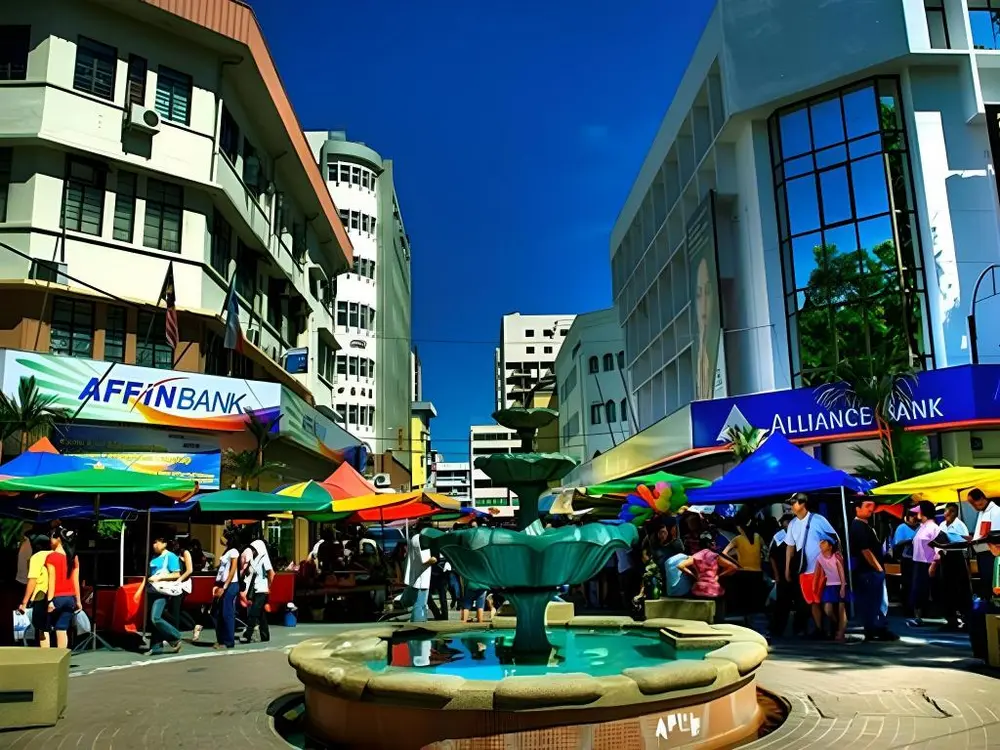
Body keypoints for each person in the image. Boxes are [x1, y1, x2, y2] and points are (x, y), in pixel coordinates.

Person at [784, 493, 838, 638]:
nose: (791, 506)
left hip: (823, 569)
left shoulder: (818, 520)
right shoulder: (792, 524)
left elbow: (834, 539)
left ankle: (834, 627)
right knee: (813, 602)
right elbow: (790, 547)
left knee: (826, 601)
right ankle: (820, 630)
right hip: (804, 570)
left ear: (803, 504)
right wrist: (787, 568)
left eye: (793, 502)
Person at [850, 500, 897, 641]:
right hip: (869, 571)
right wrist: (878, 568)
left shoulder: (866, 525)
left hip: (870, 571)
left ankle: (874, 629)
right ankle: (876, 628)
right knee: (874, 601)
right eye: (867, 506)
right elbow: (865, 550)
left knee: (874, 601)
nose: (871, 509)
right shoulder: (858, 526)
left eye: (872, 506)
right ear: (857, 509)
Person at [678, 532, 738, 623]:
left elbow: (680, 566)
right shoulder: (715, 556)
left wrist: (694, 576)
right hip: (714, 590)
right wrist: (719, 575)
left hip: (699, 589)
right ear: (710, 543)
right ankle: (718, 621)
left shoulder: (695, 556)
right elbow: (733, 567)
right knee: (722, 598)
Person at [139, 536, 183, 655]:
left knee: (155, 618)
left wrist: (159, 577)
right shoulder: (153, 557)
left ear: (164, 544)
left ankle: (175, 636)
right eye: (153, 543)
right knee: (152, 620)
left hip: (162, 592)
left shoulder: (171, 556)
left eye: (157, 542)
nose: (154, 545)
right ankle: (156, 646)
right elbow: (147, 576)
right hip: (151, 590)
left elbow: (176, 574)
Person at [45, 527, 82, 650]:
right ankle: (62, 657)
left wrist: (49, 600)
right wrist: (78, 601)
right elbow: (75, 580)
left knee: (45, 628)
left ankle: (47, 657)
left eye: (52, 537)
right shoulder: (73, 557)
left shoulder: (51, 557)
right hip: (70, 598)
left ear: (58, 539)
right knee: (62, 629)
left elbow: (51, 580)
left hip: (56, 597)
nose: (50, 540)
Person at [937, 502, 972, 631]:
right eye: (947, 511)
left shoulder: (960, 525)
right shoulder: (941, 525)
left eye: (951, 511)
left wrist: (954, 539)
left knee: (961, 588)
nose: (948, 513)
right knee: (946, 588)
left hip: (957, 557)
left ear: (955, 513)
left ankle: (966, 619)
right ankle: (950, 619)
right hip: (945, 557)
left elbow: (966, 543)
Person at [723, 519, 763, 625]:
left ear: (740, 528)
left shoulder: (737, 539)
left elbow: (724, 553)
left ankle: (744, 622)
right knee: (754, 602)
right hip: (757, 573)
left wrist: (735, 561)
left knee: (743, 600)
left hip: (743, 572)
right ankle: (754, 623)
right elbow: (764, 550)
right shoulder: (757, 537)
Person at [907, 500, 940, 628]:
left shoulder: (934, 528)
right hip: (918, 562)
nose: (916, 514)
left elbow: (939, 549)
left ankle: (927, 616)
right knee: (918, 590)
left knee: (926, 590)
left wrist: (934, 564)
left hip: (928, 563)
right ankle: (918, 617)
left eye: (918, 512)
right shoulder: (922, 527)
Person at [965, 488, 1000, 603]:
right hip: (981, 552)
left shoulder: (996, 511)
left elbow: (995, 535)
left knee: (992, 583)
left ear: (981, 499)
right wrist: (973, 539)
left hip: (992, 553)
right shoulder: (981, 513)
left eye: (973, 503)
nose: (973, 506)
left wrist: (979, 540)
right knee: (985, 582)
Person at [18, 535, 52, 647]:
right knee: (57, 628)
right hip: (56, 594)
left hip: (40, 595)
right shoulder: (55, 555)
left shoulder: (37, 557)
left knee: (42, 629)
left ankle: (44, 653)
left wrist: (24, 602)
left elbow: (32, 580)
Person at [768, 513, 798, 639]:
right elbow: (772, 557)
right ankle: (777, 629)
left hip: (797, 573)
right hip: (782, 575)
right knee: (782, 603)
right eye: (787, 521)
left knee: (800, 603)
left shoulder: (799, 534)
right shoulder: (779, 536)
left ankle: (798, 629)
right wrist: (776, 575)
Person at [815, 534, 848, 641]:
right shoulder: (819, 557)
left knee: (841, 609)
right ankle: (836, 623)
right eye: (820, 542)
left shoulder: (836, 556)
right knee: (828, 609)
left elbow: (841, 572)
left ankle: (841, 632)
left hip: (840, 584)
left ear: (830, 546)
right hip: (829, 585)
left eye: (824, 542)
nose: (821, 544)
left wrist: (842, 586)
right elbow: (818, 572)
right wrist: (815, 586)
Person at [242, 539, 275, 643]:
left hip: (262, 590)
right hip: (254, 589)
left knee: (254, 612)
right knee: (261, 613)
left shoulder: (264, 559)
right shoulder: (252, 559)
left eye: (254, 549)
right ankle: (265, 635)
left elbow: (272, 574)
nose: (252, 551)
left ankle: (248, 634)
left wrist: (268, 587)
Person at [404, 520, 437, 622]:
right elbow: (425, 560)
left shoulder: (414, 538)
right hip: (421, 577)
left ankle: (416, 622)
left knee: (419, 604)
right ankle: (419, 624)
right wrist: (434, 559)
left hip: (415, 576)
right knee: (420, 605)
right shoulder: (421, 540)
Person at [213, 532, 241, 649]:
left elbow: (233, 569)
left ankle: (228, 641)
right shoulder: (227, 551)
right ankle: (221, 639)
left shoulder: (233, 551)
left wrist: (225, 586)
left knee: (227, 612)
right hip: (222, 584)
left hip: (230, 585)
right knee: (218, 613)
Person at [892, 512, 918, 617]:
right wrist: (910, 541)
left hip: (918, 559)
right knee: (907, 584)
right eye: (912, 516)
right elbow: (897, 543)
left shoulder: (920, 527)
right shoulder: (902, 527)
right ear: (907, 517)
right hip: (907, 560)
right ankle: (907, 608)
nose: (915, 518)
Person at [15, 522, 33, 602]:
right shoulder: (24, 542)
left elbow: (29, 560)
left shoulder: (26, 542)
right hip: (22, 577)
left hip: (23, 577)